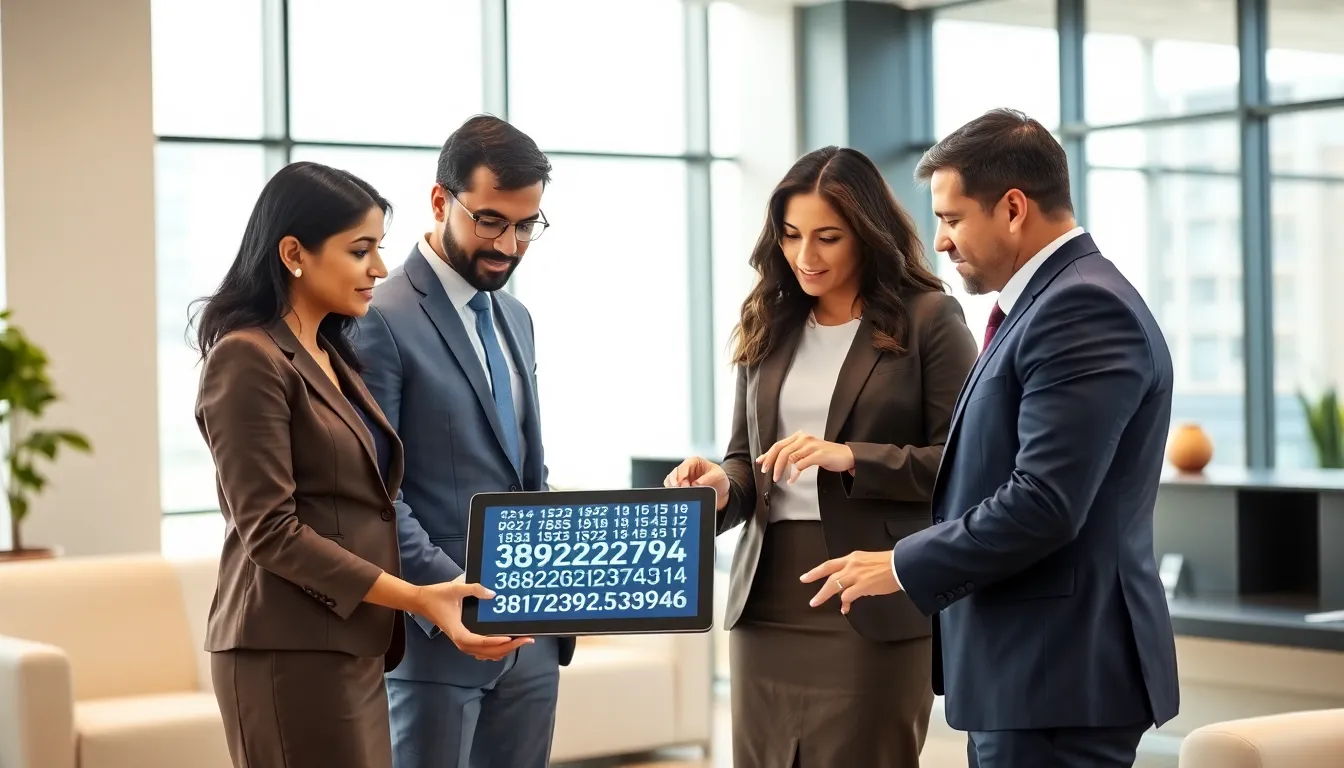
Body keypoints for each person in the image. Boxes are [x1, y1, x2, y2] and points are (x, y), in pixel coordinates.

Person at [801, 108, 1181, 768]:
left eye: (950, 219)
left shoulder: (1082, 309)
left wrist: (898, 564)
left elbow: (1044, 501)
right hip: (1031, 679)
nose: (941, 242)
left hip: (1057, 680)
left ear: (1012, 208)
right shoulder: (1044, 304)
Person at [665, 146, 979, 767]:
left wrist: (851, 457)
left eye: (828, 238)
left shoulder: (930, 319)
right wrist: (720, 487)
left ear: (867, 234)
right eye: (791, 236)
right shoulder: (769, 321)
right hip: (766, 599)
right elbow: (745, 461)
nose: (805, 257)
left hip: (871, 593)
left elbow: (963, 463)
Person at [192, 161, 508, 768]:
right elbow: (271, 533)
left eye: (379, 249)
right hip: (287, 649)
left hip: (347, 643)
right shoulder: (247, 359)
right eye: (360, 251)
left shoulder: (330, 353)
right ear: (293, 253)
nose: (380, 270)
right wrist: (417, 597)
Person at [351, 115, 569, 768]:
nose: (509, 243)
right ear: (441, 200)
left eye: (526, 224)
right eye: (491, 220)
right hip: (436, 642)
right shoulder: (379, 320)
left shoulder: (516, 318)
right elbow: (376, 495)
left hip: (530, 642)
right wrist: (453, 597)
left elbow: (526, 474)